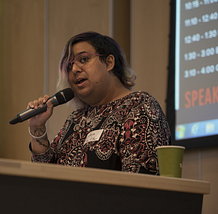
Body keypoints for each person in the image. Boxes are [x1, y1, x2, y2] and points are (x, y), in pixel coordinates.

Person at [27, 31, 171, 174]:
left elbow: (140, 183)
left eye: (83, 59)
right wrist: (37, 128)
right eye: (69, 66)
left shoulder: (140, 106)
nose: (75, 69)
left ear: (109, 63)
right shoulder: (75, 119)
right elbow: (45, 174)